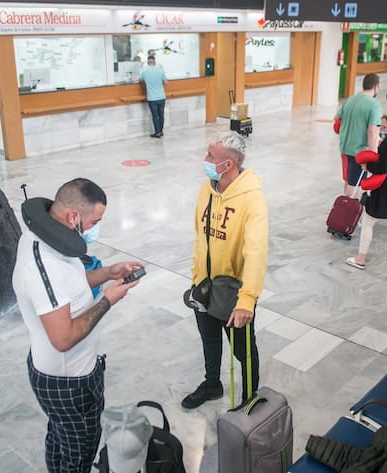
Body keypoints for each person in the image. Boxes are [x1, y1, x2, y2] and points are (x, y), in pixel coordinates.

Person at [12, 178, 144, 473]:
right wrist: (108, 301)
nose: (97, 227)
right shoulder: (44, 262)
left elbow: (70, 287)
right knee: (79, 453)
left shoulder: (52, 239)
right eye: (95, 220)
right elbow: (63, 337)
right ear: (74, 217)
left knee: (59, 438)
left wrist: (109, 273)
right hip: (67, 381)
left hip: (72, 372)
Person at [182, 132, 268, 410]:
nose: (205, 160)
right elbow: (199, 236)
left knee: (243, 351)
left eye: (210, 156)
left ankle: (250, 397)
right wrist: (196, 279)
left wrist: (247, 300)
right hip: (204, 286)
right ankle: (212, 383)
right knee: (209, 340)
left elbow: (256, 253)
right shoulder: (207, 189)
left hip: (233, 293)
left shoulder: (253, 200)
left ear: (228, 164)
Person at [346, 113, 387, 271]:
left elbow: (383, 167)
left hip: (384, 191)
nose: (382, 129)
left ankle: (361, 258)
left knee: (368, 222)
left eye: (384, 127)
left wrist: (367, 167)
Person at [335, 73, 382, 196]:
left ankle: (346, 207)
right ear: (376, 86)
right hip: (360, 151)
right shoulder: (374, 105)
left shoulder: (350, 99)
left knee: (348, 179)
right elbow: (372, 131)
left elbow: (336, 117)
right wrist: (373, 154)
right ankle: (347, 210)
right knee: (354, 184)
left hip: (345, 147)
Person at [138, 56, 167, 138]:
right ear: (154, 62)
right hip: (161, 96)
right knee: (161, 115)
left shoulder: (144, 71)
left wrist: (148, 81)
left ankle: (157, 132)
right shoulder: (160, 70)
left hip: (152, 98)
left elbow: (140, 80)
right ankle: (161, 131)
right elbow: (166, 82)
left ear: (147, 62)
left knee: (155, 116)